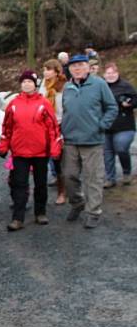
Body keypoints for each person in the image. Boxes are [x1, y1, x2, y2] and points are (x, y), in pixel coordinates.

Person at [0, 70, 62, 231]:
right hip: (19, 152)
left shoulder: (44, 103)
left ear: (35, 84)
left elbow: (53, 127)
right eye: (24, 82)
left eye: (30, 82)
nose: (26, 84)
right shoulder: (13, 104)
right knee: (19, 184)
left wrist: (55, 147)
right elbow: (7, 127)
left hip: (40, 152)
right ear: (21, 84)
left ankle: (40, 212)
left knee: (40, 183)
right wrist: (4, 145)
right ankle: (18, 218)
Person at [61, 55, 118, 228]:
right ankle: (77, 203)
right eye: (73, 66)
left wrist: (102, 125)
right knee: (68, 176)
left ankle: (94, 212)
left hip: (92, 140)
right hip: (70, 140)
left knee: (93, 178)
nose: (77, 68)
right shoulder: (67, 86)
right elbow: (64, 110)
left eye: (80, 65)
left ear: (87, 67)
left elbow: (112, 107)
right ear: (69, 69)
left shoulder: (99, 84)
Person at [102, 62, 136, 188]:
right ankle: (110, 178)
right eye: (108, 73)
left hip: (124, 124)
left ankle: (126, 172)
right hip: (106, 125)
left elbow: (135, 99)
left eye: (113, 73)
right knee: (107, 152)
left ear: (117, 73)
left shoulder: (126, 86)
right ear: (104, 75)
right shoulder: (101, 86)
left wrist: (130, 104)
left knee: (121, 147)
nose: (110, 76)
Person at [39, 59, 67, 204]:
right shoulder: (42, 86)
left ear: (57, 71)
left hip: (59, 125)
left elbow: (65, 108)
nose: (45, 72)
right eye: (44, 69)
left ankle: (62, 191)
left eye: (49, 69)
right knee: (45, 158)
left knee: (58, 160)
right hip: (43, 126)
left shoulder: (63, 86)